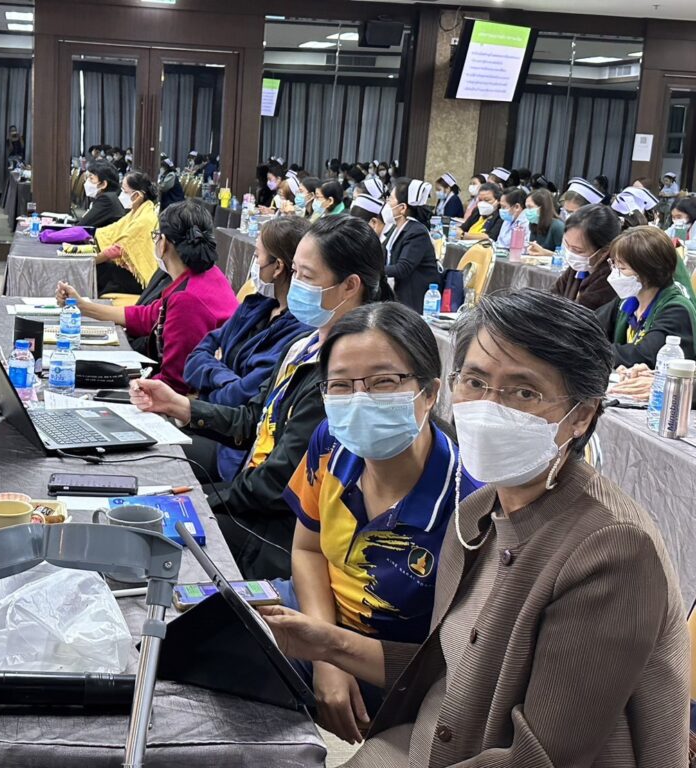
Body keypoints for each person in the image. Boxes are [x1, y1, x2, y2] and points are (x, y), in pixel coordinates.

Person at [260, 288, 690, 767]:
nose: (489, 408)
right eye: (476, 382)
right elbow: (448, 670)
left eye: (524, 393)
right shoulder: (481, 512)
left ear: (582, 415)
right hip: (428, 740)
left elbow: (541, 757)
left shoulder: (611, 549)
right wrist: (329, 645)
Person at [131, 216, 393, 578]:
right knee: (149, 485)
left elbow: (277, 483)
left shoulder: (345, 376)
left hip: (281, 534)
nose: (295, 284)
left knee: (150, 535)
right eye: (295, 272)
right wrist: (180, 405)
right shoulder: (305, 345)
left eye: (306, 276)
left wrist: (204, 500)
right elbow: (255, 419)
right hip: (254, 498)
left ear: (349, 286)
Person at [281, 302, 482, 743]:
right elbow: (307, 549)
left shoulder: (469, 504)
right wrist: (325, 656)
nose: (359, 401)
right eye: (340, 385)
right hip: (316, 618)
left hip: (399, 676)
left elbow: (456, 662)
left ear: (430, 393)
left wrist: (333, 651)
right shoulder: (331, 445)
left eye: (383, 382)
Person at [57, 200, 236, 395]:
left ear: (163, 243)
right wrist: (82, 306)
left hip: (191, 398)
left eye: (156, 236)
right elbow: (146, 317)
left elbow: (175, 384)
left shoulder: (188, 299)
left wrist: (127, 388)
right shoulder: (207, 275)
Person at [183, 217, 312, 482]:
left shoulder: (299, 333)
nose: (254, 263)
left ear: (278, 267)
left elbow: (242, 398)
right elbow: (196, 357)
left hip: (234, 445)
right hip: (212, 420)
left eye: (257, 256)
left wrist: (212, 381)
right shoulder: (255, 306)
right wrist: (225, 376)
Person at [596, 226, 696, 367]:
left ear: (648, 272)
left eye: (622, 268)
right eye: (614, 265)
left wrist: (595, 352)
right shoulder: (628, 301)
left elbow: (643, 355)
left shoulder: (676, 310)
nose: (615, 274)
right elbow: (591, 324)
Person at [92, 172, 160, 295]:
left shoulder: (145, 218)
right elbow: (111, 230)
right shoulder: (137, 212)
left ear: (137, 196)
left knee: (99, 271)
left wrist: (91, 261)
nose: (121, 195)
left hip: (138, 278)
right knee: (102, 269)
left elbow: (120, 249)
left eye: (124, 191)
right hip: (129, 271)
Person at [383, 178, 440, 313]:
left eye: (390, 199)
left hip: (413, 298)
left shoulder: (417, 232)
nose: (387, 203)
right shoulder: (396, 229)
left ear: (402, 208)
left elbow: (403, 268)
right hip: (398, 293)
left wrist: (372, 270)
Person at [550, 203, 620, 310]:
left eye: (577, 250)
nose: (570, 253)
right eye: (566, 244)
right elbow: (552, 296)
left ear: (604, 251)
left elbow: (579, 313)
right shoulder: (577, 268)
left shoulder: (610, 279)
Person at [77, 161, 125, 229]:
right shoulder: (112, 196)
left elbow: (82, 226)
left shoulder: (106, 199)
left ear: (103, 184)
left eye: (91, 178)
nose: (87, 182)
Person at [522, 188, 564, 256]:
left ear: (542, 208)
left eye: (530, 207)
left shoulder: (558, 226)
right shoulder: (533, 224)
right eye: (526, 207)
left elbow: (564, 256)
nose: (527, 211)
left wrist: (545, 253)